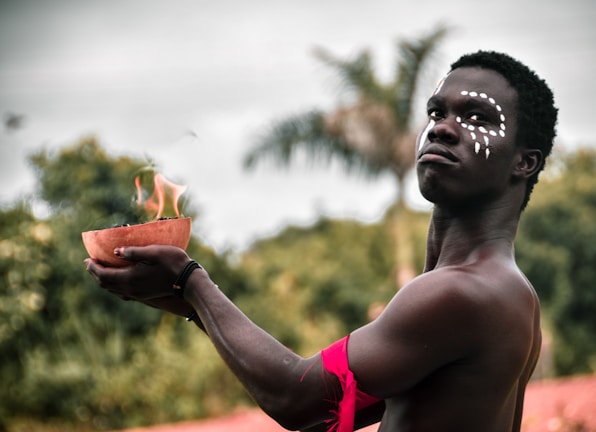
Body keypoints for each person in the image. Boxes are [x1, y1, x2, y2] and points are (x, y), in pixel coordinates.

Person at [85, 50, 558, 432]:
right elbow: (336, 413)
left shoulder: (459, 293)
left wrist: (192, 282)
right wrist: (194, 307)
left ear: (524, 162)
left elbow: (297, 397)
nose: (441, 126)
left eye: (475, 115)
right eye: (436, 112)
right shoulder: (506, 291)